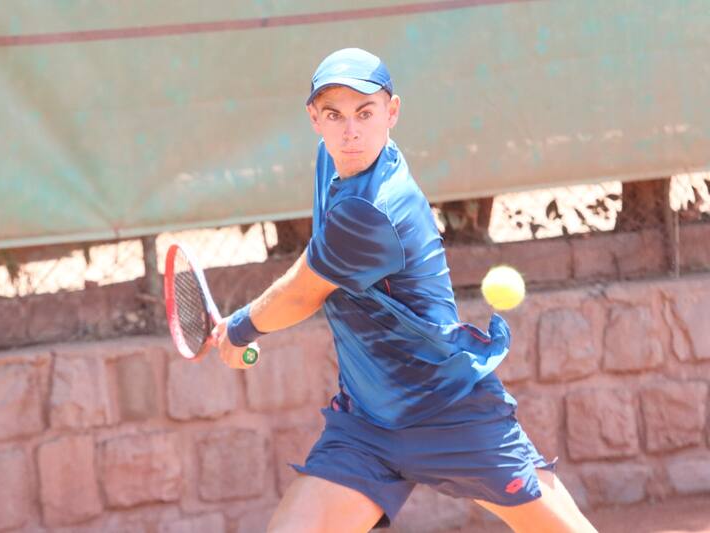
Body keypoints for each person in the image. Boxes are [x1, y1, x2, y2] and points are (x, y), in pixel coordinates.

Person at [213, 48, 597, 533]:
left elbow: (302, 293)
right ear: (314, 119)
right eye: (334, 114)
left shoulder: (374, 209)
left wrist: (241, 328)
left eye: (365, 113)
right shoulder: (334, 161)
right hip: (368, 422)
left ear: (392, 112)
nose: (350, 130)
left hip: (449, 409)